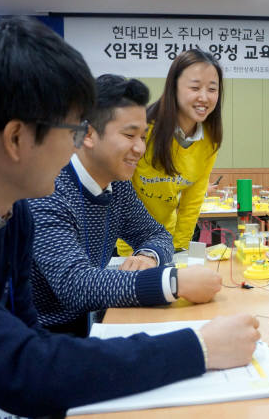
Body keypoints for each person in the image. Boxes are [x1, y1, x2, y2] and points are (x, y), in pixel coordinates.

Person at [0, 17, 259, 417]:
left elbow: (27, 336)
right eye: (71, 131)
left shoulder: (13, 212)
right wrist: (199, 347)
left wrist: (154, 260)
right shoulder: (41, 200)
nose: (74, 145)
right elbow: (26, 365)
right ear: (16, 138)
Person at [29, 74, 223, 336]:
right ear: (87, 134)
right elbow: (75, 285)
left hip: (93, 319)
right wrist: (172, 282)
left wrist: (147, 256)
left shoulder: (117, 186)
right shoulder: (47, 189)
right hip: (41, 334)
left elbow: (157, 233)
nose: (140, 148)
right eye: (130, 135)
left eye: (143, 137)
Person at [118, 48, 223, 254]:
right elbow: (121, 193)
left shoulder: (209, 140)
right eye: (195, 87)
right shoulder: (143, 130)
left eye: (212, 89)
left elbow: (192, 201)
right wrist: (128, 251)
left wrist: (180, 249)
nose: (204, 97)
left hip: (166, 237)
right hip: (127, 240)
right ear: (173, 86)